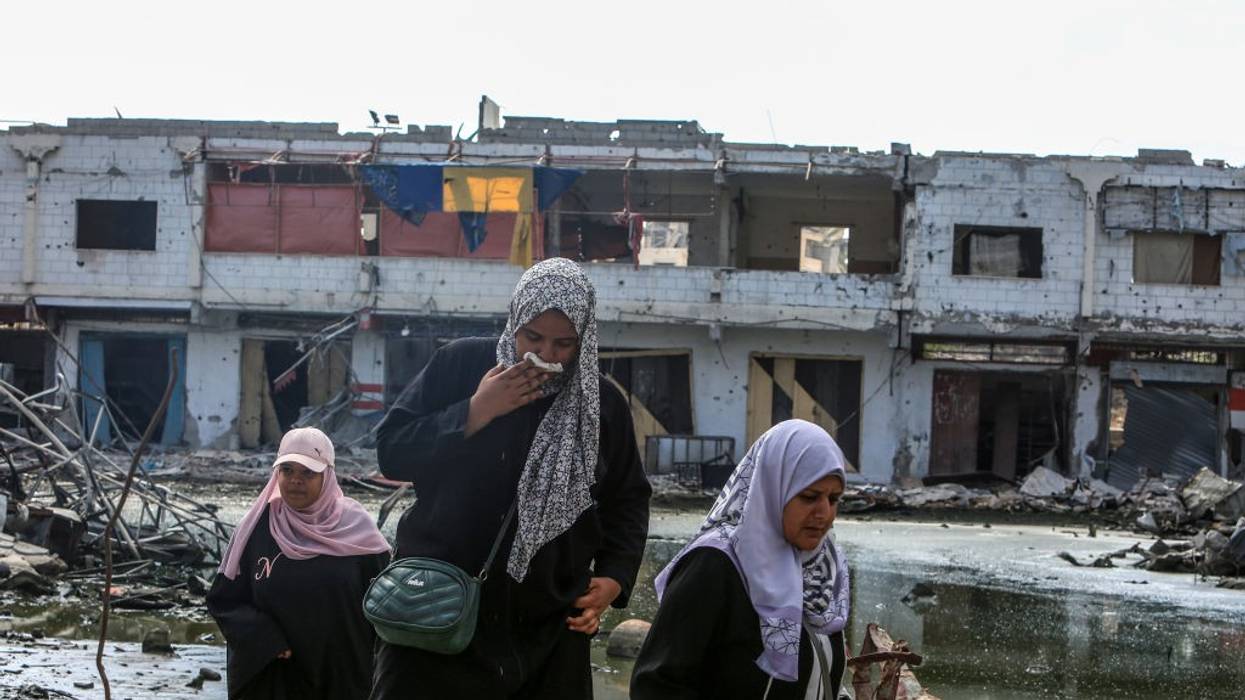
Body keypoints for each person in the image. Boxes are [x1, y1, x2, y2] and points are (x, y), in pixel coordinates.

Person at [370, 257, 651, 699]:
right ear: (514, 320)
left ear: (584, 340)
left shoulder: (601, 405)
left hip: (547, 629)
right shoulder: (459, 366)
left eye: (564, 343)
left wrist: (615, 577)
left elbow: (628, 499)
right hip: (436, 616)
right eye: (532, 336)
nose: (545, 354)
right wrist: (473, 413)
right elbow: (392, 452)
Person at [631, 419, 851, 700]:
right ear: (773, 488)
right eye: (809, 497)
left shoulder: (825, 568)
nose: (824, 513)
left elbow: (823, 676)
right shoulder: (715, 564)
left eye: (833, 499)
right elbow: (657, 685)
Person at [207, 427, 391, 700]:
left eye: (308, 473)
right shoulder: (257, 528)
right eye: (287, 470)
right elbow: (223, 601)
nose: (295, 480)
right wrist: (265, 639)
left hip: (343, 675)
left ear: (327, 476)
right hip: (274, 674)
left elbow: (385, 606)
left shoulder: (357, 531)